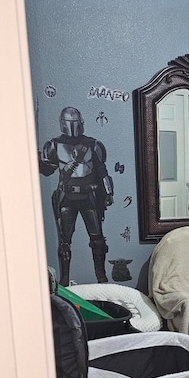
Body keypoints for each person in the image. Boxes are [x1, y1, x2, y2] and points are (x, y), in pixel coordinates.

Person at [39, 107, 114, 285]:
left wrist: (109, 192)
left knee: (98, 240)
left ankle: (101, 277)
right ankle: (64, 280)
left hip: (89, 195)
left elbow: (102, 171)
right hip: (67, 196)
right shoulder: (54, 145)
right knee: (65, 242)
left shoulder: (93, 144)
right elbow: (49, 171)